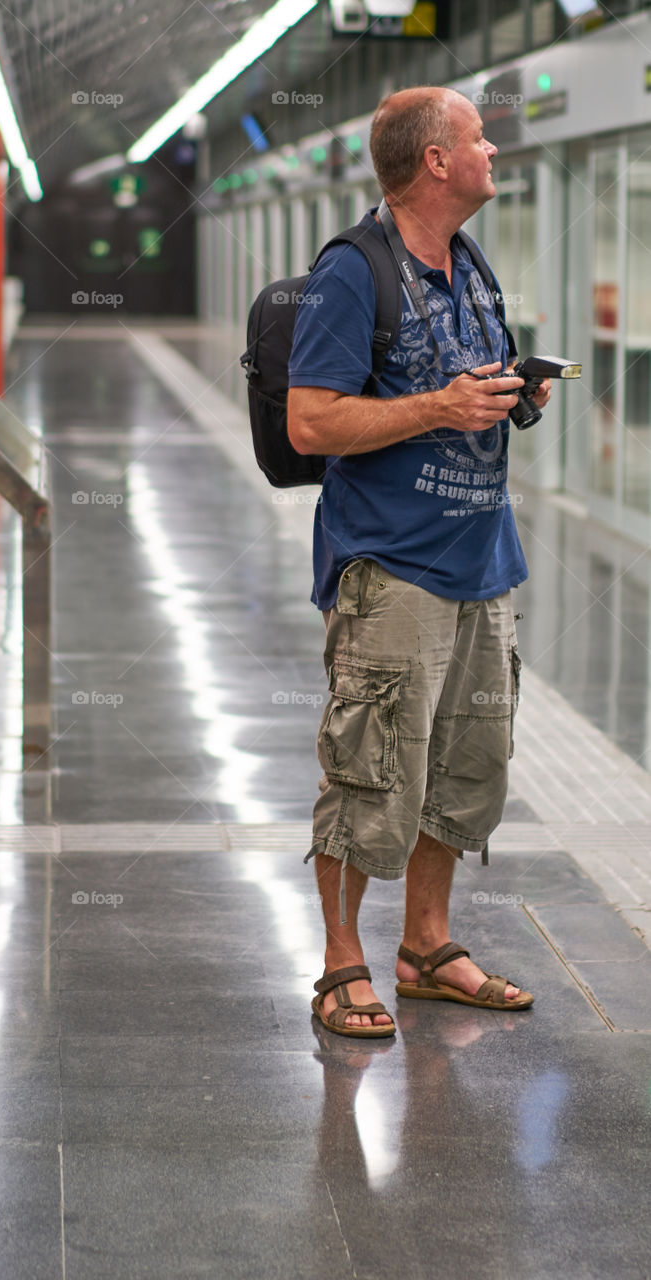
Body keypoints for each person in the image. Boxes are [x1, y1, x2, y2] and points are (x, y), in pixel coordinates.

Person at [288, 85, 549, 1038]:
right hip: (392, 568)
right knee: (370, 771)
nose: (492, 151)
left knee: (463, 769)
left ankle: (425, 946)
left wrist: (512, 394)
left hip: (483, 562)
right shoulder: (353, 272)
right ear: (434, 161)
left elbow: (464, 380)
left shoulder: (470, 264)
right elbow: (311, 419)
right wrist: (438, 408)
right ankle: (340, 962)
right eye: (477, 138)